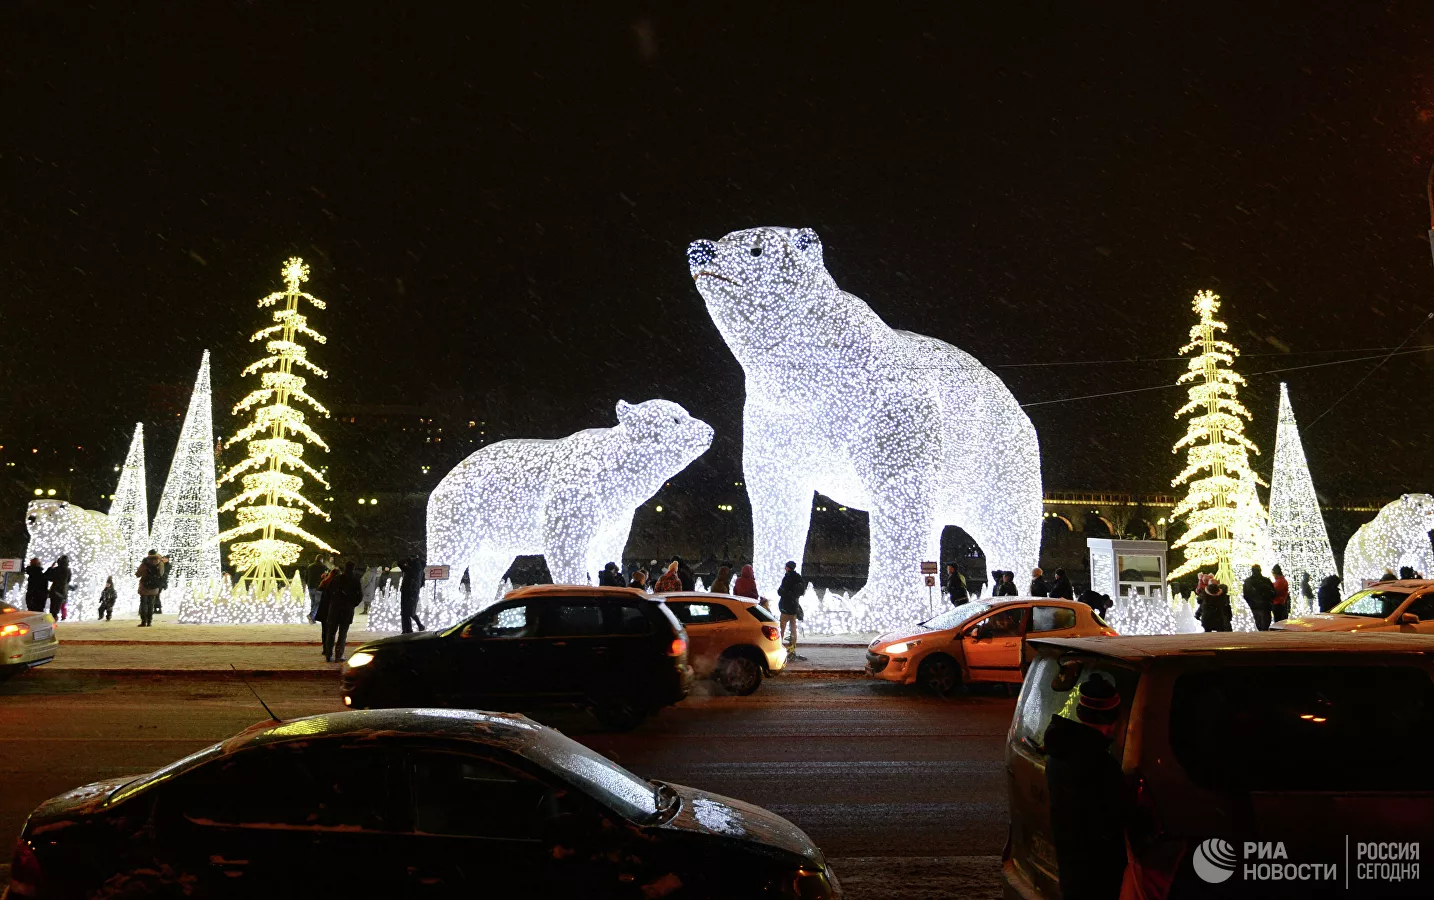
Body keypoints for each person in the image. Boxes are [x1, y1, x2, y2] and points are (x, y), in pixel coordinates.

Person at [1045, 673, 1129, 900]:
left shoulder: (1059, 750)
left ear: (1081, 714)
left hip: (1072, 868)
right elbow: (1119, 818)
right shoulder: (1101, 765)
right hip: (1099, 875)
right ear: (1112, 719)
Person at [317, 561, 363, 662]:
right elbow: (359, 596)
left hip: (335, 609)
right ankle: (339, 655)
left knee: (331, 633)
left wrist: (334, 602)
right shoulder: (355, 580)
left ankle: (329, 654)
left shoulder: (337, 579)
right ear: (353, 568)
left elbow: (328, 592)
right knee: (342, 634)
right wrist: (352, 604)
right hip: (347, 610)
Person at [777, 561, 806, 657]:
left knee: (781, 628)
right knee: (793, 628)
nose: (785, 568)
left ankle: (778, 646)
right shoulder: (798, 578)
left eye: (786, 567)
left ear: (788, 568)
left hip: (786, 606)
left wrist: (782, 592)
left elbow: (782, 591)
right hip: (794, 607)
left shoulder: (787, 577)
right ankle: (792, 647)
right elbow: (801, 591)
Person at [1242, 564, 1276, 631]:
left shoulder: (1248, 581)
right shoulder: (1266, 580)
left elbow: (1246, 595)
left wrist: (1251, 603)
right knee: (1265, 624)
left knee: (1260, 623)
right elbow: (1273, 593)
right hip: (1265, 605)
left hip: (1256, 606)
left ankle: (1262, 636)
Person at [136, 550, 164, 627]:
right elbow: (161, 574)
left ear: (148, 554)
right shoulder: (160, 563)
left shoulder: (145, 563)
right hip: (154, 587)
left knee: (143, 604)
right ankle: (149, 622)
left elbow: (138, 574)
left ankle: (143, 622)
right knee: (151, 604)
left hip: (144, 586)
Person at [399, 557, 426, 634]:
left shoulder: (409, 570)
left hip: (406, 592)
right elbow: (422, 584)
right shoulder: (421, 572)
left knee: (405, 613)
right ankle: (414, 627)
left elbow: (399, 563)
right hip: (414, 594)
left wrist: (407, 559)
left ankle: (407, 629)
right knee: (410, 612)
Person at [304, 553, 328, 624]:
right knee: (318, 603)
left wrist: (308, 583)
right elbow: (326, 577)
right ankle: (311, 615)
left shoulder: (310, 567)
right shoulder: (324, 567)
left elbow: (306, 577)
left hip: (311, 587)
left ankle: (312, 619)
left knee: (313, 603)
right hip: (319, 587)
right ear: (321, 559)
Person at [45, 556, 71, 620]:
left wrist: (51, 568)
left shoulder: (56, 569)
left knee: (52, 608)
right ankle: (54, 619)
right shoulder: (68, 570)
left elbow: (48, 577)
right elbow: (68, 580)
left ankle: (52, 620)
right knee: (57, 608)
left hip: (54, 590)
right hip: (62, 591)